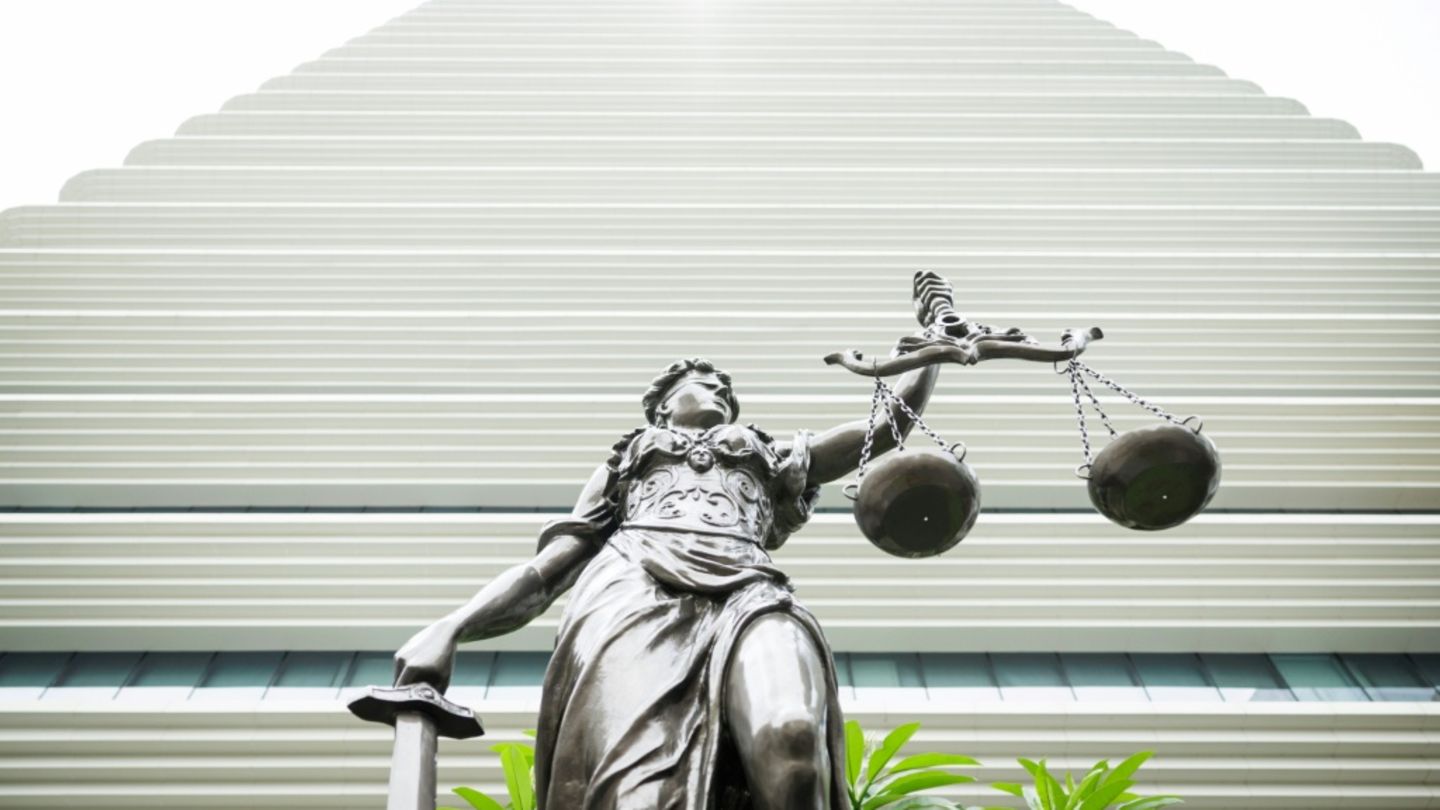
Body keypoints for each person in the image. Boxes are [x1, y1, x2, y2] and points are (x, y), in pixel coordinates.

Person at [392, 350, 945, 809]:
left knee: (792, 738)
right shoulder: (623, 463)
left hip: (751, 591)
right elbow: (547, 571)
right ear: (661, 407)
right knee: (640, 793)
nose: (721, 392)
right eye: (705, 383)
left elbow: (889, 425)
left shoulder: (769, 454)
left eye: (727, 391)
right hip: (633, 594)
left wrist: (931, 348)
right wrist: (452, 627)